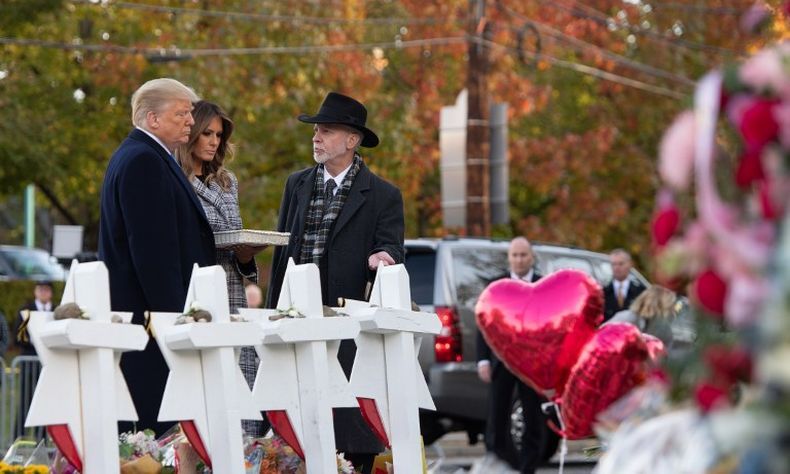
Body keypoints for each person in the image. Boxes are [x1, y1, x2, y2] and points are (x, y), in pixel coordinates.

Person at [266, 91, 404, 474]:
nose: (316, 138)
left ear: (352, 140)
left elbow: (392, 245)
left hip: (348, 326)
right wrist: (273, 312)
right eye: (315, 131)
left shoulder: (383, 196)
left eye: (325, 131)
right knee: (295, 424)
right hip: (296, 318)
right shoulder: (296, 185)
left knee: (347, 424)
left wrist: (385, 257)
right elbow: (282, 253)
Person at [98, 78, 216, 434]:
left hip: (147, 320)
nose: (190, 123)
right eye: (181, 114)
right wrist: (177, 323)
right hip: (152, 326)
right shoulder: (143, 162)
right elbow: (152, 254)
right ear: (152, 119)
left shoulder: (142, 156)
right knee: (155, 437)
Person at [175, 99, 266, 436]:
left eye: (219, 135)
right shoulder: (176, 181)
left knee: (243, 394)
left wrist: (247, 254)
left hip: (233, 295)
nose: (214, 141)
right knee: (205, 400)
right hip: (198, 297)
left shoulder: (228, 182)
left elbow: (237, 243)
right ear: (192, 134)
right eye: (207, 133)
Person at [476, 237, 558, 474]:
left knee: (533, 416)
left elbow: (553, 325)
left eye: (523, 255)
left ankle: (528, 466)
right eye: (515, 255)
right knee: (497, 416)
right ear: (509, 258)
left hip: (532, 364)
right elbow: (484, 322)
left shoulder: (545, 285)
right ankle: (497, 463)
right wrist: (483, 360)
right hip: (501, 360)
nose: (519, 260)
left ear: (532, 257)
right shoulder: (496, 286)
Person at [13, 280, 53, 438]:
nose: (43, 292)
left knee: (45, 401)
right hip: (29, 362)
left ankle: (41, 438)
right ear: (35, 291)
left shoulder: (55, 311)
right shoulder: (27, 311)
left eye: (46, 289)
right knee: (25, 400)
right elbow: (19, 337)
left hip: (48, 363)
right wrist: (35, 341)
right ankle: (19, 437)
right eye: (40, 289)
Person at [607, 285, 676, 350]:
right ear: (659, 306)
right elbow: (602, 340)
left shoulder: (665, 332)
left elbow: (661, 357)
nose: (673, 311)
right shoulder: (626, 319)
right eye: (670, 307)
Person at [602, 249, 646, 322]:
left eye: (621, 264)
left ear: (629, 264)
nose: (617, 267)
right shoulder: (604, 292)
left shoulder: (640, 291)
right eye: (614, 264)